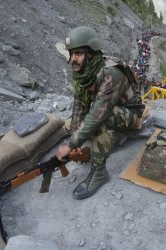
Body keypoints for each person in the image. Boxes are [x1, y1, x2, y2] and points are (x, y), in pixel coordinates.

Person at [56, 26, 145, 199]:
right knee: (70, 124)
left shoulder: (112, 73)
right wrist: (75, 143)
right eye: (71, 54)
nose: (73, 59)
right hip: (108, 109)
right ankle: (99, 140)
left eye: (79, 53)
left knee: (100, 122)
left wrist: (71, 145)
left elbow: (99, 113)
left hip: (129, 114)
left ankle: (99, 173)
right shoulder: (83, 74)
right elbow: (80, 107)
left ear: (91, 53)